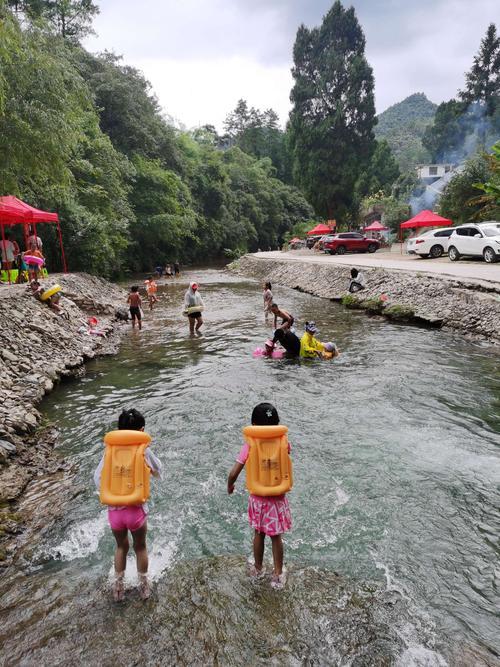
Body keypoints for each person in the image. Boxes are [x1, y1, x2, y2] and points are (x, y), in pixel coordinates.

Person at [94, 408, 162, 601]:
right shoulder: (144, 450)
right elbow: (158, 469)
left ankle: (118, 588)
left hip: (115, 512)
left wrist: (111, 493)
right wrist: (150, 473)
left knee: (121, 547)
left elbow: (97, 477)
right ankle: (144, 588)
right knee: (140, 547)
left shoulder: (110, 451)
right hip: (136, 511)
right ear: (141, 430)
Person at [227, 403, 292, 590]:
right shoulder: (284, 442)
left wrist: (230, 484)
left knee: (259, 533)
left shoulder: (249, 445)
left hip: (258, 499)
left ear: (253, 425)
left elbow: (234, 472)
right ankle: (278, 573)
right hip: (277, 498)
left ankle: (258, 568)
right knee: (276, 536)